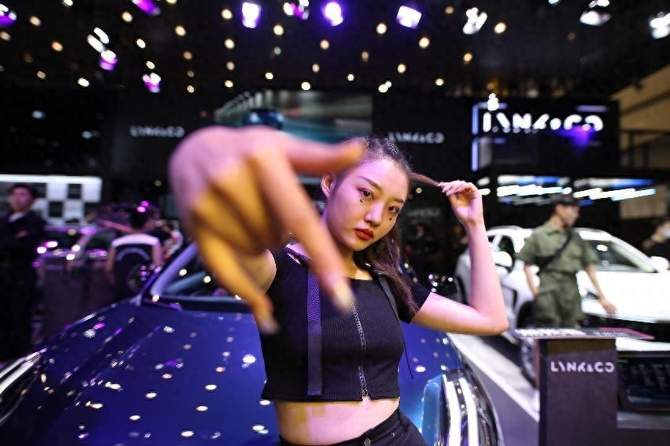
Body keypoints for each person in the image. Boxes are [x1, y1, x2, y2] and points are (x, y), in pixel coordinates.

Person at [169, 127, 507, 445]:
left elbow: (491, 319)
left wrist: (475, 225)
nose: (377, 218)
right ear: (330, 182)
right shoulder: (278, 268)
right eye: (366, 194)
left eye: (393, 209)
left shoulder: (387, 282)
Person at [519, 194, 617, 328]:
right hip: (548, 292)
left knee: (572, 332)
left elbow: (589, 268)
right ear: (560, 209)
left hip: (571, 293)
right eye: (574, 211)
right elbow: (526, 265)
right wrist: (535, 292)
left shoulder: (575, 237)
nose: (576, 215)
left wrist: (602, 297)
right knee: (548, 330)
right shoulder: (539, 235)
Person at [0, 183, 46, 362]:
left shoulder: (34, 221)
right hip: (3, 275)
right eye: (14, 194)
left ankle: (19, 357)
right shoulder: (4, 219)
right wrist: (13, 240)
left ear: (32, 199)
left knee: (20, 316)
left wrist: (10, 242)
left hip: (21, 276)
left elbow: (24, 246)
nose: (17, 198)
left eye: (23, 194)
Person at [105, 206, 163, 301]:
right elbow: (158, 267)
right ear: (147, 223)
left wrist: (116, 284)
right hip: (143, 292)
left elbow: (108, 268)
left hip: (121, 291)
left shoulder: (117, 243)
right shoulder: (153, 242)